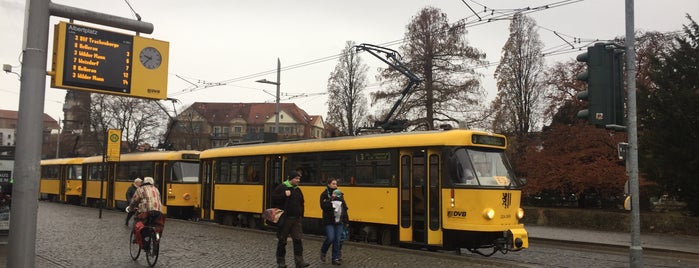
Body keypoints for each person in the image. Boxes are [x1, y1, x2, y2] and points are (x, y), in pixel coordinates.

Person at [272, 171, 309, 268]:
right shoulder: (282, 187)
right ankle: (281, 262)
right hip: (285, 219)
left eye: (299, 179)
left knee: (298, 240)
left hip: (296, 219)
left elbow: (302, 202)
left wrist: (301, 214)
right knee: (282, 240)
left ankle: (299, 262)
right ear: (291, 179)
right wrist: (284, 194)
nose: (298, 180)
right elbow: (274, 198)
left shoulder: (298, 190)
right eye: (296, 178)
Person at [127, 177, 165, 250]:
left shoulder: (140, 189)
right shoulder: (156, 189)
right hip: (158, 213)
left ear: (143, 182)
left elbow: (134, 201)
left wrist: (131, 208)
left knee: (137, 224)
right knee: (157, 226)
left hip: (145, 212)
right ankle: (156, 240)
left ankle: (143, 243)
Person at [319, 179, 349, 266]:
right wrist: (331, 199)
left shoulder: (340, 195)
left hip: (338, 221)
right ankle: (323, 251)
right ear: (328, 184)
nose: (335, 185)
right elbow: (323, 206)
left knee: (337, 240)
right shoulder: (324, 195)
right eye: (333, 184)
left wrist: (346, 220)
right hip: (329, 221)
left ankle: (335, 258)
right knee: (330, 238)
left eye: (336, 184)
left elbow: (344, 208)